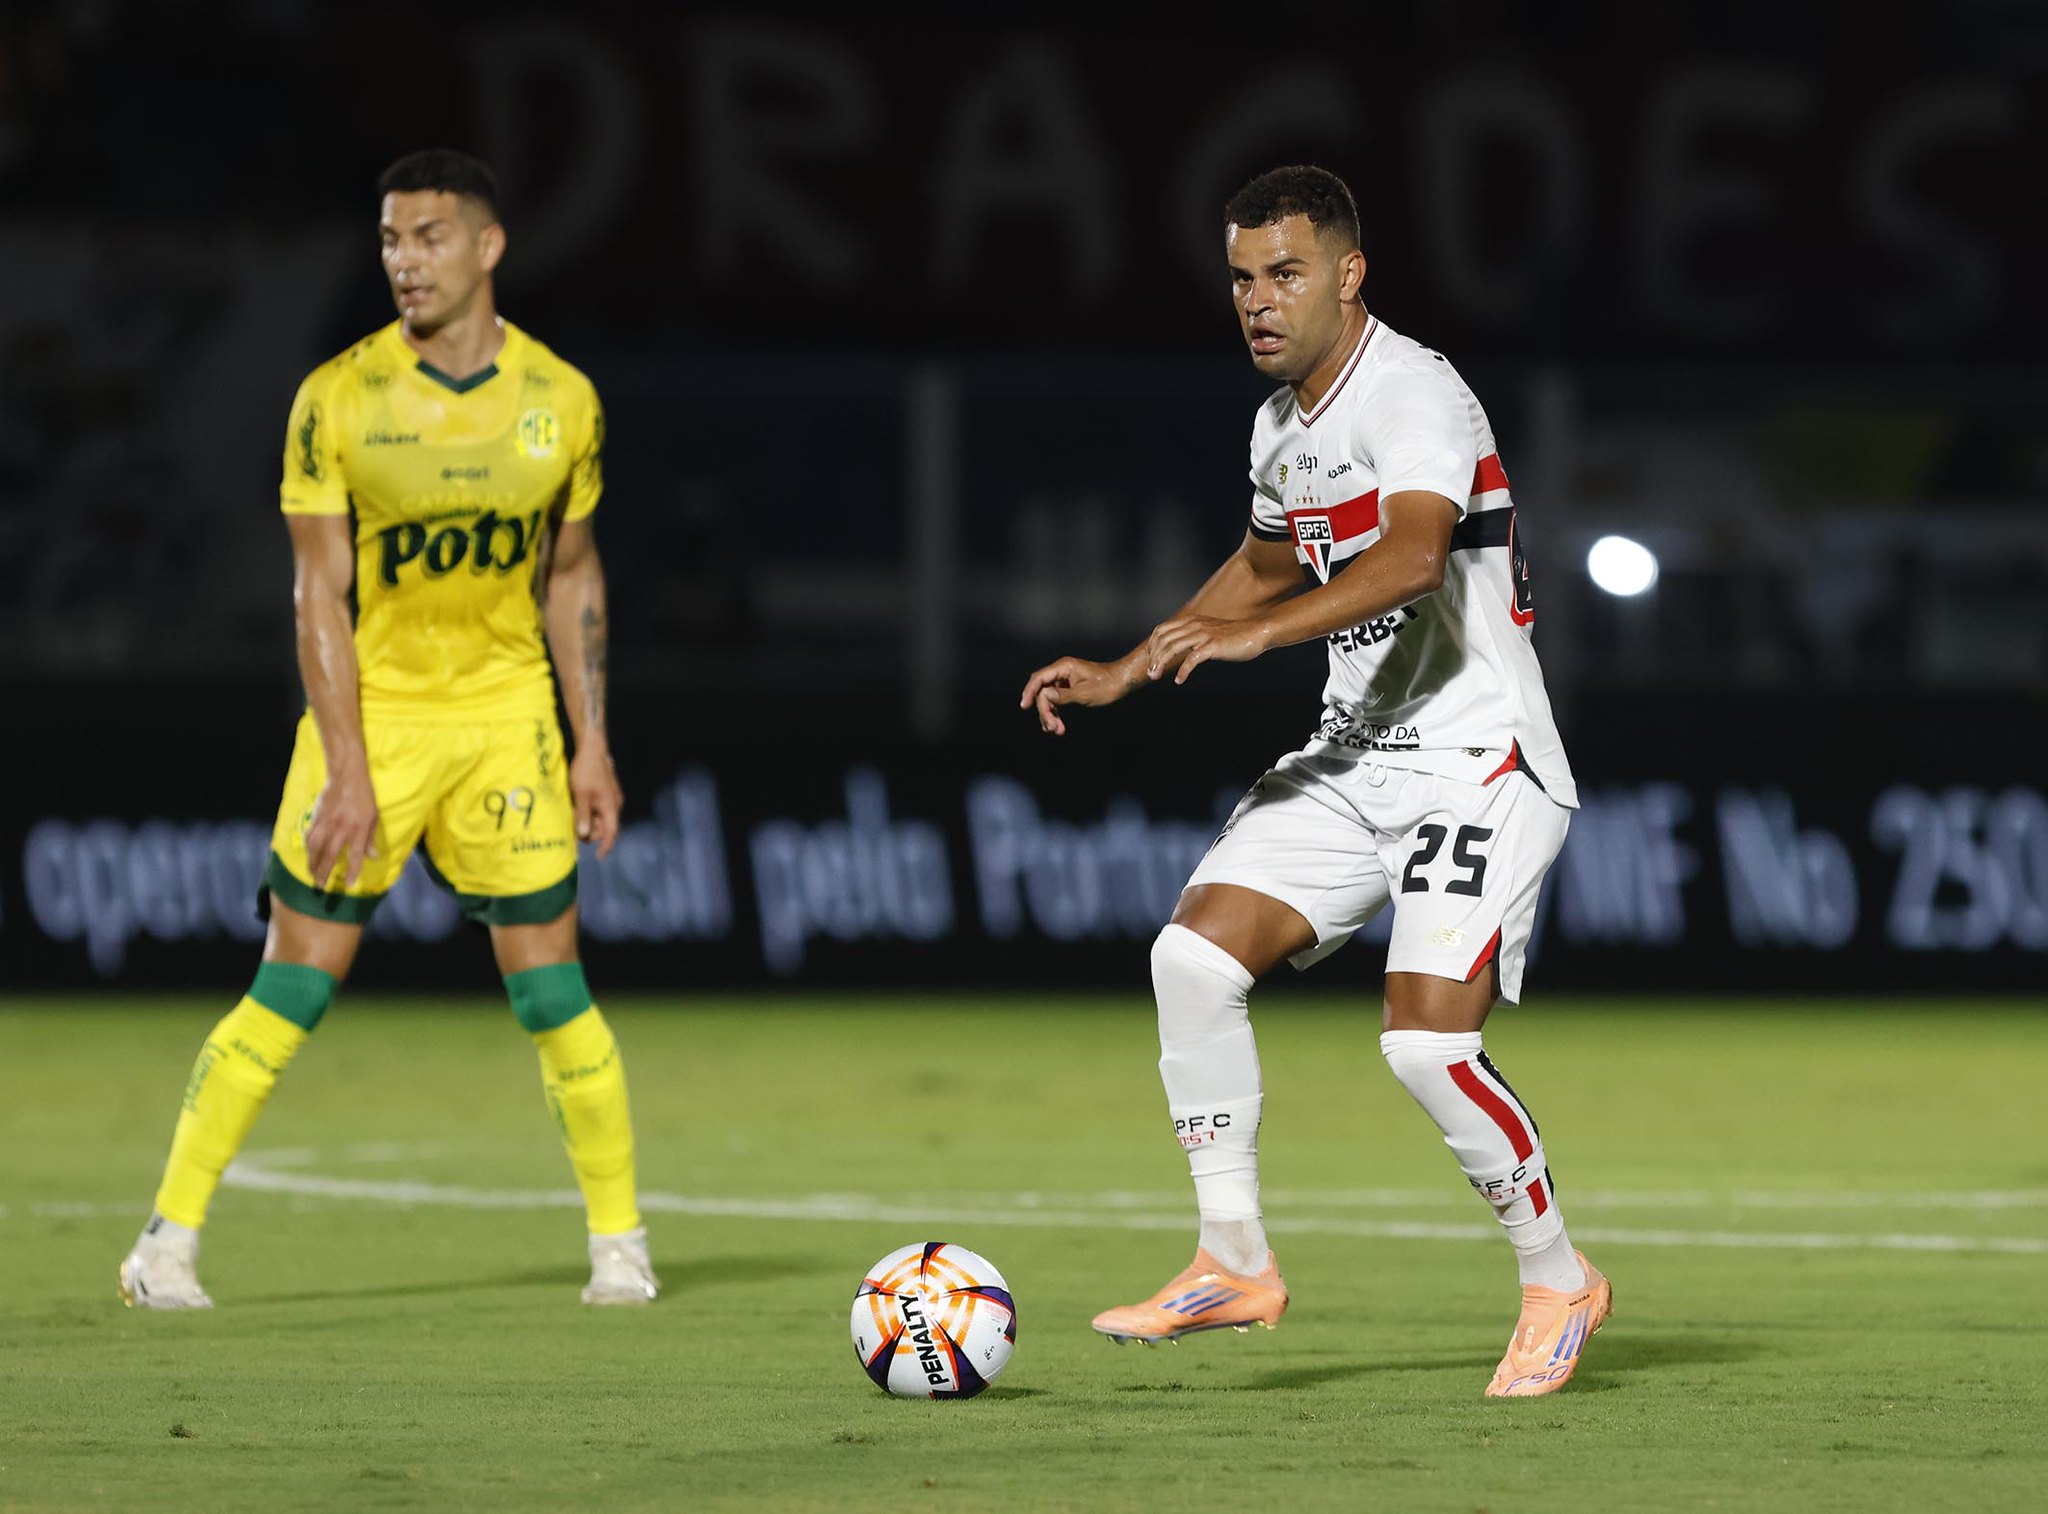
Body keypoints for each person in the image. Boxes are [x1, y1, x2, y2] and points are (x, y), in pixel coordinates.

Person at [1018, 165, 1606, 1397]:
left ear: (1349, 275)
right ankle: (1231, 1259)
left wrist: (1252, 639)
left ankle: (1557, 1277)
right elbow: (1260, 561)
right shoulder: (1280, 426)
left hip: (1476, 761)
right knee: (1190, 960)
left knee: (1424, 1045)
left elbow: (1410, 557)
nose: (1256, 300)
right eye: (1240, 277)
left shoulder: (1413, 394)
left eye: (1283, 273)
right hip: (1353, 757)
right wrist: (1130, 666)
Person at [118, 150, 656, 1309]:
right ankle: (165, 1241)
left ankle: (620, 1245)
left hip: (504, 718)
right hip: (376, 715)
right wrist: (350, 767)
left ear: (488, 246)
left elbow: (571, 573)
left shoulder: (561, 400)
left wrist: (591, 740)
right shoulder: (339, 398)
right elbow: (317, 594)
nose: (403, 260)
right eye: (388, 241)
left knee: (552, 991)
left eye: (427, 236)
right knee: (294, 985)